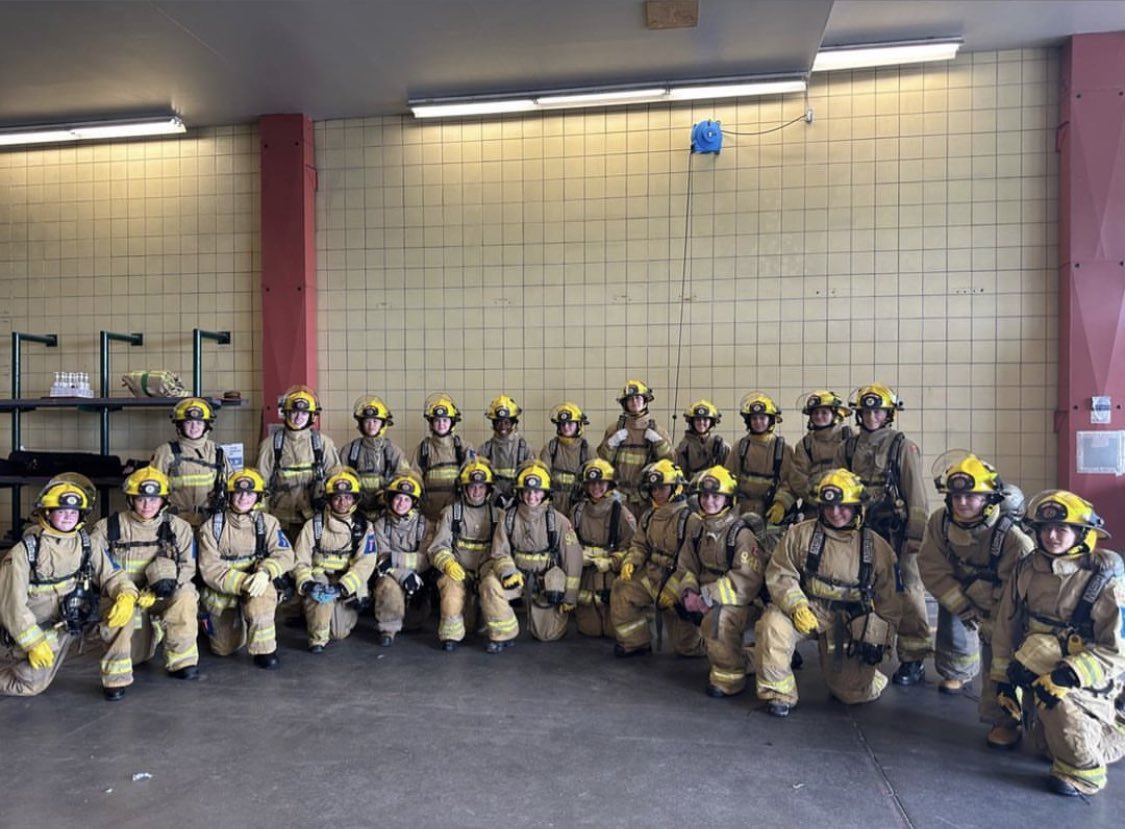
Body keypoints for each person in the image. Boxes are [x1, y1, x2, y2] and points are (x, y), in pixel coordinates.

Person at [990, 490, 1125, 797]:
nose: (1051, 536)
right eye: (1044, 529)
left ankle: (1085, 772)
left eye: (1061, 529)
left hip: (1086, 674)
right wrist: (1003, 682)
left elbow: (1119, 650)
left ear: (1082, 533)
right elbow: (1005, 624)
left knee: (1053, 701)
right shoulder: (1027, 568)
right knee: (1043, 746)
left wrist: (1067, 676)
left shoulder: (1104, 578)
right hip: (1039, 662)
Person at [755, 468, 902, 717]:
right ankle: (779, 692)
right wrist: (796, 606)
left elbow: (891, 600)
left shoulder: (877, 547)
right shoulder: (800, 534)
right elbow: (781, 573)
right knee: (772, 625)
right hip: (808, 609)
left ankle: (868, 679)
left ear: (858, 507)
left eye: (844, 506)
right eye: (829, 506)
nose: (835, 513)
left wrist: (879, 637)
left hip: (850, 619)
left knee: (850, 694)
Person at [917, 453, 1034, 747]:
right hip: (962, 591)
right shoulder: (940, 522)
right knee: (951, 614)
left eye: (972, 497)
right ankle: (957, 670)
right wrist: (962, 605)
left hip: (1003, 604)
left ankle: (1005, 719)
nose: (962, 503)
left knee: (999, 657)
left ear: (990, 499)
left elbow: (1018, 591)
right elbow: (931, 565)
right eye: (956, 496)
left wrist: (994, 621)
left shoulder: (1014, 539)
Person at [0, 479, 138, 697]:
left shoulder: (85, 543)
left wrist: (126, 594)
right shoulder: (24, 552)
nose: (68, 517)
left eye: (74, 513)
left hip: (77, 616)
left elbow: (112, 573)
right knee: (31, 685)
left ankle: (116, 681)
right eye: (61, 511)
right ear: (46, 513)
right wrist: (33, 642)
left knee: (125, 613)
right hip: (42, 627)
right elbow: (11, 606)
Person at [834, 383, 931, 686]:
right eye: (866, 410)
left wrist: (916, 536)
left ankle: (913, 658)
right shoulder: (846, 448)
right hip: (858, 532)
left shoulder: (902, 446)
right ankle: (862, 644)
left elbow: (916, 495)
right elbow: (837, 490)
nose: (872, 416)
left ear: (888, 414)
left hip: (897, 533)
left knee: (907, 593)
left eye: (878, 411)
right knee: (857, 589)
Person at [89, 467, 200, 698]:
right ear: (131, 499)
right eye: (141, 499)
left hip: (161, 594)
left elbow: (187, 567)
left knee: (186, 596)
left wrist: (157, 592)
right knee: (137, 655)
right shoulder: (107, 528)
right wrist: (125, 593)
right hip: (123, 597)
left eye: (153, 499)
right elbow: (98, 569)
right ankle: (115, 678)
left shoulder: (179, 528)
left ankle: (182, 661)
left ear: (163, 501)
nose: (147, 505)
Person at [675, 465, 769, 698]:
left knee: (718, 621)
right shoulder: (698, 528)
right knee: (683, 637)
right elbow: (687, 565)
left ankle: (730, 678)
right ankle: (752, 656)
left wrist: (707, 597)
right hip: (704, 597)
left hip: (743, 601)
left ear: (728, 499)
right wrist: (688, 593)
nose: (709, 501)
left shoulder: (741, 534)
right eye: (704, 496)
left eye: (716, 496)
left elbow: (747, 580)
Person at [479, 461, 583, 652]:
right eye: (527, 491)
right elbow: (500, 552)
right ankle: (504, 633)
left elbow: (573, 561)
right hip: (516, 577)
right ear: (519, 492)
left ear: (545, 493)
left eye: (537, 491)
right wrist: (508, 571)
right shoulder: (508, 518)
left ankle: (542, 614)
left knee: (547, 635)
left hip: (545, 583)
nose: (531, 496)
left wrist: (570, 597)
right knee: (489, 584)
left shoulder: (559, 521)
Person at [197, 469, 295, 670]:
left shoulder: (268, 523)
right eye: (238, 492)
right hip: (223, 592)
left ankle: (264, 650)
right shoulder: (212, 527)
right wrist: (244, 582)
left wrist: (265, 572)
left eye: (250, 493)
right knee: (223, 649)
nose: (244, 498)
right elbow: (210, 569)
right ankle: (215, 624)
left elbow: (285, 555)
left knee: (263, 596)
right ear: (229, 494)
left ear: (258, 497)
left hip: (257, 586)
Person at [609, 459, 703, 658]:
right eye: (653, 488)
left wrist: (673, 588)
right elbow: (639, 545)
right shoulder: (648, 516)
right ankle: (635, 642)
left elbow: (692, 565)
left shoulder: (691, 520)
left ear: (676, 488)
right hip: (651, 576)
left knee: (686, 648)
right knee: (621, 588)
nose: (657, 493)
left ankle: (715, 644)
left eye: (662, 488)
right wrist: (630, 561)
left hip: (676, 582)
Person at [291, 467, 378, 652]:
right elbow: (300, 559)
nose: (342, 502)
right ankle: (317, 640)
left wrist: (341, 588)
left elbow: (366, 563)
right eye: (337, 497)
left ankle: (322, 612)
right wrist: (307, 584)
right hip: (319, 576)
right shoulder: (313, 525)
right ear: (329, 499)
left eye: (347, 497)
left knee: (338, 633)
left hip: (344, 582)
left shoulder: (363, 527)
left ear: (355, 499)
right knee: (321, 604)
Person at [428, 458, 503, 651]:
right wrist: (448, 564)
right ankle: (450, 637)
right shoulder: (451, 513)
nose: (476, 491)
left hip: (485, 571)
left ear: (488, 489)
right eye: (472, 487)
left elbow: (502, 551)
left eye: (481, 487)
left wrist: (488, 571)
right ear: (464, 488)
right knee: (450, 587)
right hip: (458, 570)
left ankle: (498, 636)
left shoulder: (498, 515)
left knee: (492, 589)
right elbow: (437, 548)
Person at [257, 384, 340, 539]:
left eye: (304, 413)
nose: (298, 417)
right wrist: (263, 521)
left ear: (312, 416)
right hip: (280, 521)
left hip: (313, 520)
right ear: (286, 413)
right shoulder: (271, 444)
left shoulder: (323, 443)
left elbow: (336, 480)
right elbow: (261, 486)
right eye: (294, 412)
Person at [570, 458, 637, 637]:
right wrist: (578, 556)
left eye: (601, 483)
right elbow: (569, 543)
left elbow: (633, 547)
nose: (596, 487)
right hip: (586, 576)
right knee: (589, 630)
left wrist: (611, 562)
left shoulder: (621, 512)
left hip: (610, 576)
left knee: (611, 631)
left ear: (610, 485)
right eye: (591, 483)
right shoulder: (577, 511)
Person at [150, 397, 234, 528]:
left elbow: (232, 485)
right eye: (189, 423)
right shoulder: (166, 452)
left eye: (199, 423)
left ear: (206, 425)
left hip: (210, 524)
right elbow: (152, 491)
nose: (194, 427)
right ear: (180, 424)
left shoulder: (216, 451)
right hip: (176, 523)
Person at [598, 379, 673, 519]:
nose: (634, 402)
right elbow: (602, 464)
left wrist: (659, 443)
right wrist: (610, 444)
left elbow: (671, 464)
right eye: (630, 399)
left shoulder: (658, 432)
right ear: (624, 403)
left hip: (648, 498)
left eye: (638, 398)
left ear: (645, 401)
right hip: (620, 497)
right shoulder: (614, 430)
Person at [372, 471, 431, 646]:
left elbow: (425, 559)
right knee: (388, 586)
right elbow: (381, 559)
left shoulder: (425, 525)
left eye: (407, 500)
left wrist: (394, 559)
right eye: (398, 498)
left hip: (419, 578)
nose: (401, 503)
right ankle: (387, 630)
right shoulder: (380, 525)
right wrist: (403, 575)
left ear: (414, 503)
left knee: (414, 622)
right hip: (391, 575)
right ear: (390, 499)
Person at [725, 392, 796, 526]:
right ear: (749, 421)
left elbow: (790, 482)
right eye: (754, 418)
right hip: (742, 510)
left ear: (770, 420)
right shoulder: (740, 447)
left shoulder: (783, 449)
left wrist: (781, 504)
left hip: (771, 512)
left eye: (762, 418)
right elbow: (729, 478)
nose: (758, 422)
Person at [339, 395, 412, 519]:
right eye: (367, 421)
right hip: (355, 515)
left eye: (375, 421)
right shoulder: (349, 451)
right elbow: (338, 481)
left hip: (386, 515)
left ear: (383, 424)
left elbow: (405, 483)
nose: (371, 425)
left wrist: (387, 496)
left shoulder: (393, 451)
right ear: (361, 424)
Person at [412, 393, 474, 523]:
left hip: (457, 514)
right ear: (431, 423)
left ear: (452, 422)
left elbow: (471, 479)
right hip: (428, 515)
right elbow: (414, 478)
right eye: (437, 420)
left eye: (445, 420)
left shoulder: (463, 447)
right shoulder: (423, 449)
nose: (441, 424)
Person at [790, 390, 851, 520]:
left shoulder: (850, 439)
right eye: (815, 413)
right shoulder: (805, 444)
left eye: (824, 412)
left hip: (847, 507)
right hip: (814, 507)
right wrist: (819, 497)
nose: (819, 416)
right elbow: (798, 479)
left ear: (835, 414)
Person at [538, 402, 593, 517]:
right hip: (554, 506)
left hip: (579, 506)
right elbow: (542, 477)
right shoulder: (550, 448)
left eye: (570, 423)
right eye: (562, 424)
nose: (566, 427)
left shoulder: (587, 450)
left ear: (579, 425)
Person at [478, 394, 531, 507]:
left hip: (519, 504)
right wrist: (496, 496)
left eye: (506, 422)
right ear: (493, 424)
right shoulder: (485, 449)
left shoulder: (525, 448)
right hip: (492, 505)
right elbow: (480, 479)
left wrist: (516, 498)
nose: (503, 426)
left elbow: (529, 477)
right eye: (499, 422)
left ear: (513, 423)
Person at [674, 399, 731, 482]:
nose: (701, 423)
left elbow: (729, 473)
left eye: (705, 419)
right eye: (698, 419)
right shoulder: (684, 447)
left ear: (711, 422)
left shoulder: (721, 446)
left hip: (716, 491)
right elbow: (680, 475)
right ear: (692, 422)